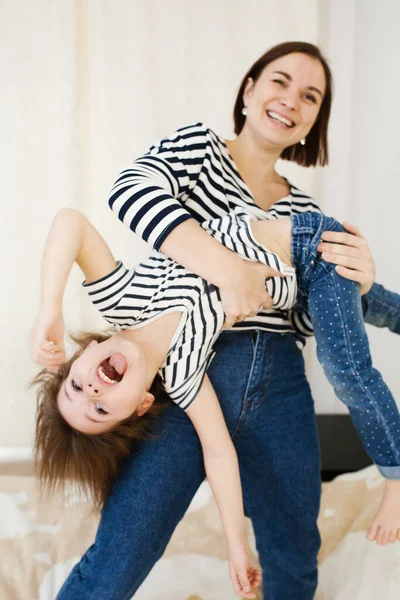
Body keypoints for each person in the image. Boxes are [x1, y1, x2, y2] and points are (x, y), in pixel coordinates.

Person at [48, 42, 398, 599]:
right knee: (123, 547)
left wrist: (355, 280)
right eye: (279, 82)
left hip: (280, 382)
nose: (291, 101)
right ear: (249, 89)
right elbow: (129, 191)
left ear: (314, 122)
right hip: (187, 380)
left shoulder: (308, 212)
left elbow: (309, 319)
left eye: (310, 97)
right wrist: (230, 272)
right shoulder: (197, 148)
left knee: (293, 551)